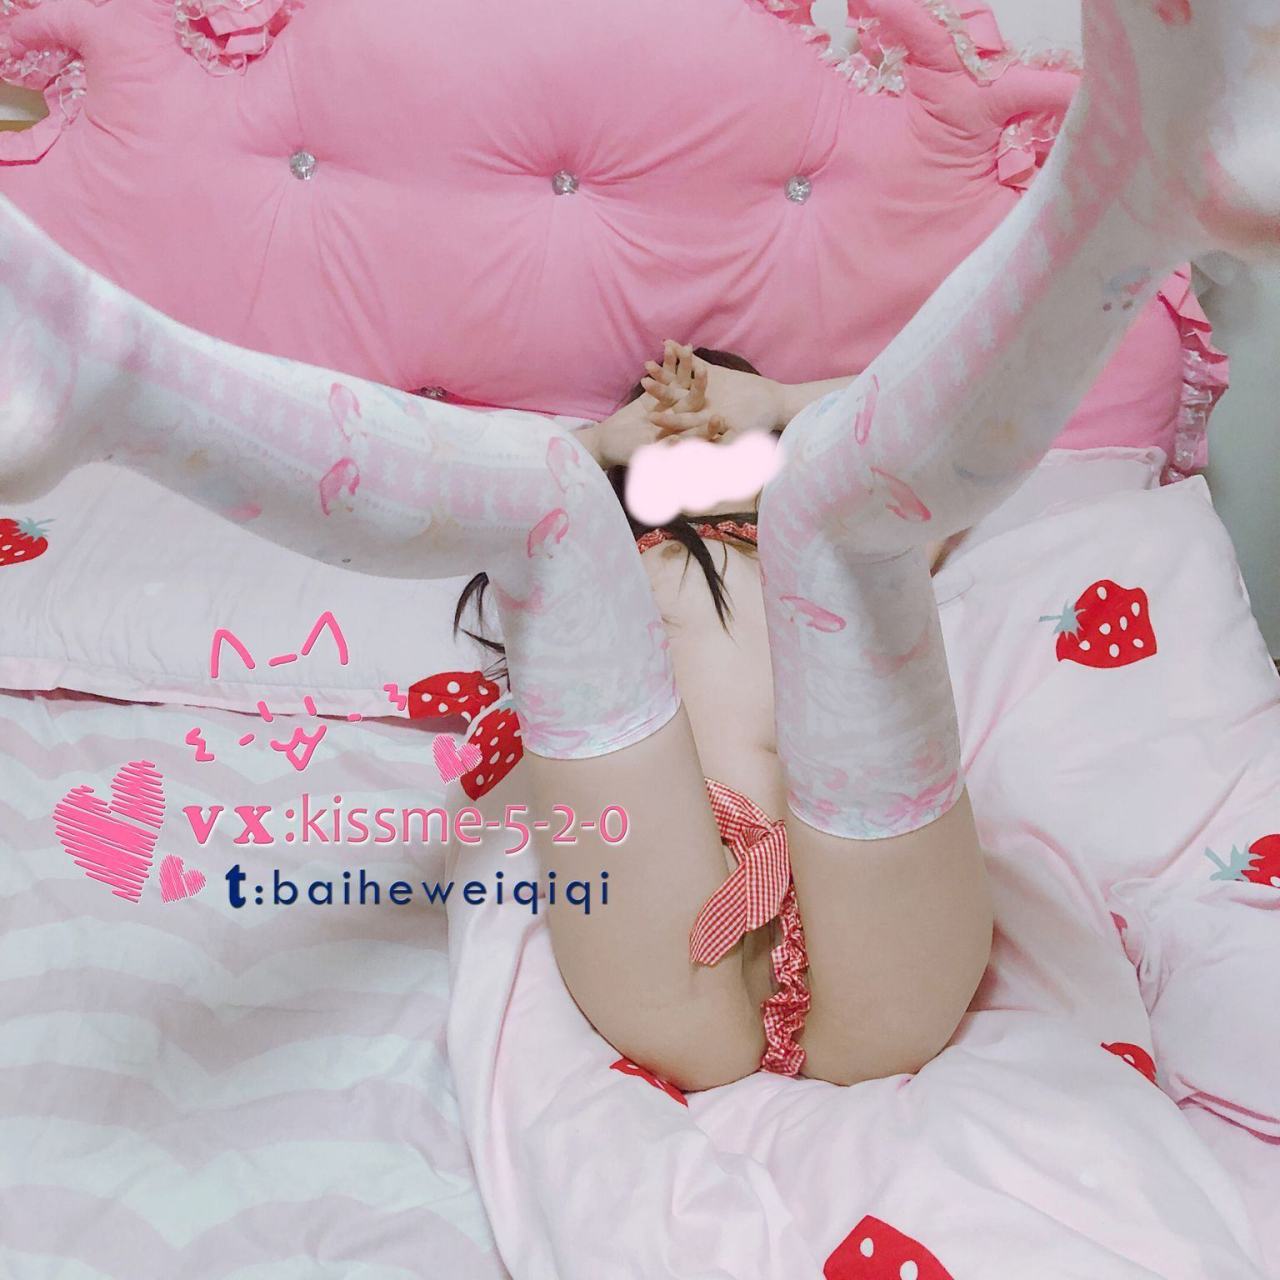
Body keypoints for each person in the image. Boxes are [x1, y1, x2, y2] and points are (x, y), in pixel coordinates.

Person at [1, 0, 1275, 1089]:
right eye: (653, 423)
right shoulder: (591, 551)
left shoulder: (826, 518)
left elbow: (901, 437)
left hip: (867, 870)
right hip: (666, 918)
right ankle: (118, 374)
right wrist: (621, 453)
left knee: (842, 513)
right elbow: (531, 489)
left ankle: (1128, 193)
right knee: (548, 500)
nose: (682, 422)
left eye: (713, 417)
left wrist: (769, 412)